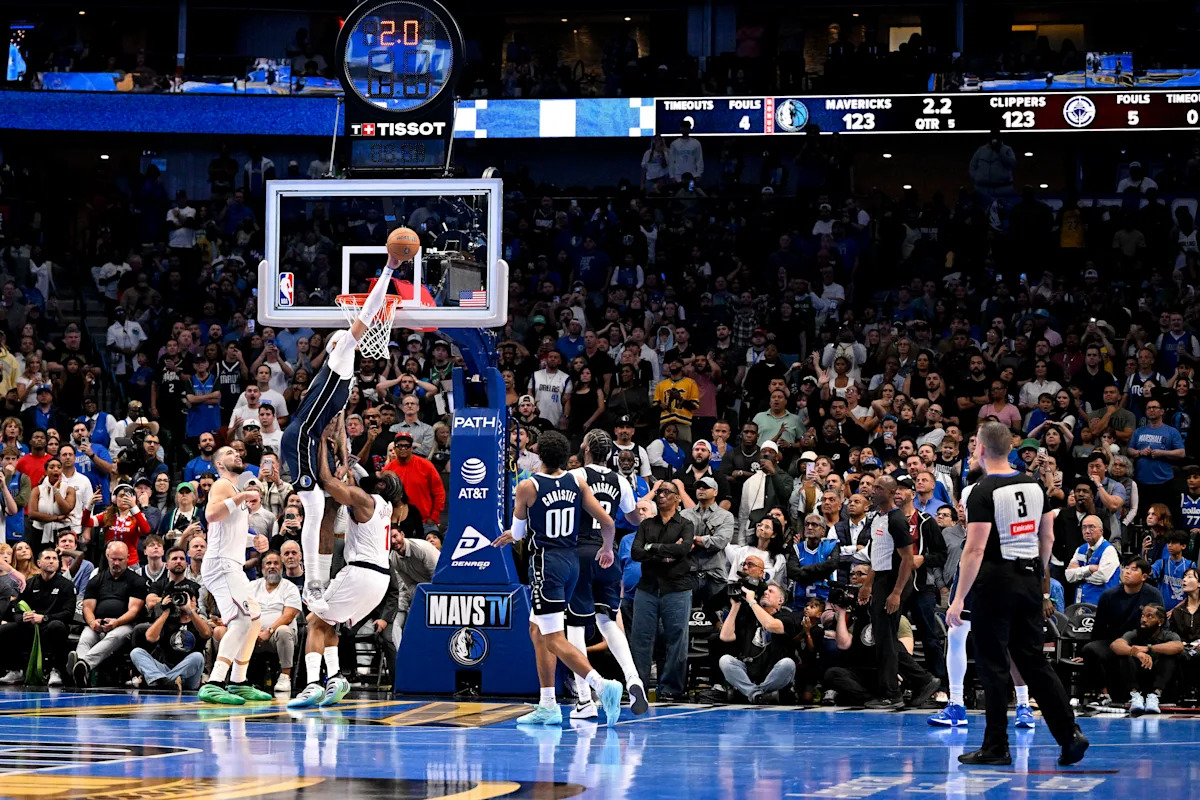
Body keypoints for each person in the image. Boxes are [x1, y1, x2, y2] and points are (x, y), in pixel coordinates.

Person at [948, 421, 1088, 766]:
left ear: (980, 449)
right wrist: (1038, 578)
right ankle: (1069, 734)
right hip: (1028, 578)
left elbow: (975, 550)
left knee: (993, 663)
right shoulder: (1035, 486)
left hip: (996, 580)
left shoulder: (982, 491)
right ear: (1010, 448)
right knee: (1034, 661)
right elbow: (1048, 538)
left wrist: (958, 598)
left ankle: (996, 746)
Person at [279, 250, 401, 605]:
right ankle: (311, 583)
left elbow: (337, 428)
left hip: (312, 436)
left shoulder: (343, 383)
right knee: (314, 505)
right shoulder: (340, 356)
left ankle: (318, 580)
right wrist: (389, 269)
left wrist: (344, 455)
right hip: (301, 436)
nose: (356, 337)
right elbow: (367, 313)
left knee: (327, 504)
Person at [490, 430, 624, 726]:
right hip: (570, 561)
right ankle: (548, 705)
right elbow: (608, 521)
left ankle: (603, 686)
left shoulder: (527, 485)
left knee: (553, 639)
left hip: (546, 564)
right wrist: (606, 548)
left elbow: (522, 533)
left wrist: (513, 534)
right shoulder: (577, 480)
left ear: (540, 456)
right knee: (537, 631)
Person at [289, 415, 398, 709]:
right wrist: (340, 447)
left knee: (313, 622)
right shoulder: (384, 507)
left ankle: (313, 684)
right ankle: (336, 677)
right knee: (330, 625)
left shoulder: (366, 500)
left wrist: (323, 443)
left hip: (360, 573)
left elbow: (327, 482)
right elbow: (346, 484)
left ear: (380, 486)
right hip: (379, 579)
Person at [563, 429, 653, 719]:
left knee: (575, 627)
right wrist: (641, 508)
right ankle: (634, 679)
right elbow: (632, 518)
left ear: (586, 449)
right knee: (608, 620)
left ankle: (584, 699)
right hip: (608, 554)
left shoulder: (576, 476)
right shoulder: (621, 481)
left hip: (580, 551)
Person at [196, 445, 272, 705]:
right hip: (221, 563)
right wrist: (241, 499)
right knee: (241, 621)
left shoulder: (235, 490)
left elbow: (231, 534)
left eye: (238, 452)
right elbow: (211, 515)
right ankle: (215, 682)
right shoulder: (222, 485)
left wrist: (255, 541)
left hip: (231, 562)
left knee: (254, 620)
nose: (237, 454)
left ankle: (239, 681)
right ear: (219, 464)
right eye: (229, 452)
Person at [861, 476, 939, 709]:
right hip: (881, 578)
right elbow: (879, 554)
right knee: (883, 638)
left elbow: (906, 559)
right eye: (874, 487)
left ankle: (893, 694)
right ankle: (923, 680)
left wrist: (896, 593)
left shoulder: (896, 520)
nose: (873, 491)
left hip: (895, 580)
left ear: (892, 492)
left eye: (879, 488)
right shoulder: (877, 518)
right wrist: (868, 584)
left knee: (885, 638)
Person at [629, 478, 695, 702]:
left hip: (677, 588)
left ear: (678, 498)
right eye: (659, 492)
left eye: (667, 492)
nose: (661, 495)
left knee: (676, 637)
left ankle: (671, 689)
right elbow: (636, 552)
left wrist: (652, 548)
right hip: (648, 587)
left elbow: (683, 549)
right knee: (640, 638)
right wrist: (665, 551)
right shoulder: (646, 525)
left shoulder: (686, 524)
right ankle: (638, 686)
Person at [71, 541, 146, 686]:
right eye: (113, 559)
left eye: (120, 560)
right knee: (85, 637)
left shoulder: (136, 580)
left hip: (124, 624)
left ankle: (83, 664)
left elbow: (134, 610)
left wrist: (116, 623)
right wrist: (93, 622)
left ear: (128, 558)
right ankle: (80, 673)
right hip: (98, 623)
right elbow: (87, 607)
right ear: (107, 556)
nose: (116, 563)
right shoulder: (96, 579)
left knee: (114, 636)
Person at [0, 548, 74, 686]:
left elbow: (68, 613)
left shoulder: (66, 585)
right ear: (39, 563)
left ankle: (55, 670)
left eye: (54, 558)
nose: (51, 561)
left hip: (50, 625)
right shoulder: (29, 583)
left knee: (57, 626)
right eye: (47, 558)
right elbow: (14, 609)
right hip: (30, 626)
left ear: (58, 563)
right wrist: (22, 617)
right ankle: (16, 670)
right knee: (4, 630)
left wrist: (44, 618)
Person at [717, 581, 799, 703]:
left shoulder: (788, 617)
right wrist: (735, 606)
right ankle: (758, 694)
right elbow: (725, 636)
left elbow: (771, 625)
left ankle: (753, 693)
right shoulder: (748, 615)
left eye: (770, 592)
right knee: (725, 660)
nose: (765, 593)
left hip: (774, 671)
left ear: (780, 600)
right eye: (764, 592)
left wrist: (752, 602)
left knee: (788, 663)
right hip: (749, 670)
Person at [130, 575, 211, 690]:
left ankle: (160, 680)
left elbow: (207, 633)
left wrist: (190, 611)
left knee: (197, 657)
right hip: (167, 667)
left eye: (188, 599)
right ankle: (166, 681)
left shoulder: (198, 621)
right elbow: (150, 637)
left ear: (194, 602)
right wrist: (166, 611)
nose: (183, 602)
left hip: (189, 675)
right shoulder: (168, 620)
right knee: (136, 652)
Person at [1109, 603, 1181, 715]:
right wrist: (1136, 653)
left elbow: (1178, 646)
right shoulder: (1135, 633)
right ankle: (1135, 695)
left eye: (1150, 616)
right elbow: (1116, 645)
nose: (1144, 620)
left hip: (1159, 677)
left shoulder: (1168, 635)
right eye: (1142, 616)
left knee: (1170, 656)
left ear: (1160, 621)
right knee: (1124, 654)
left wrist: (1149, 649)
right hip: (1137, 674)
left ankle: (1155, 696)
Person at [1065, 515, 1120, 604]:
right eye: (1084, 527)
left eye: (1091, 527)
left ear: (1101, 531)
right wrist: (1089, 569)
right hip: (1080, 602)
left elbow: (1102, 577)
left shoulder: (1109, 550)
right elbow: (1069, 576)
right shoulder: (1080, 549)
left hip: (1102, 603)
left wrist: (1078, 573)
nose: (1087, 531)